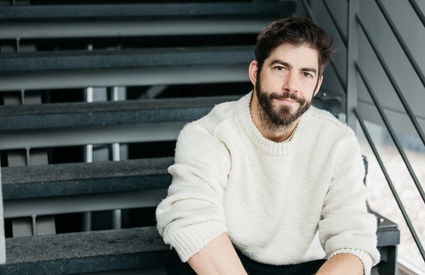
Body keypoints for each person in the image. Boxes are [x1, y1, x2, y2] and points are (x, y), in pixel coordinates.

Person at [156, 16, 380, 275]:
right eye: (280, 68)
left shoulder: (338, 141)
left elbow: (353, 239)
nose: (291, 86)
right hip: (232, 258)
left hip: (308, 267)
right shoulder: (208, 134)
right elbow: (191, 218)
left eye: (306, 74)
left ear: (317, 84)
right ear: (255, 72)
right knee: (185, 263)